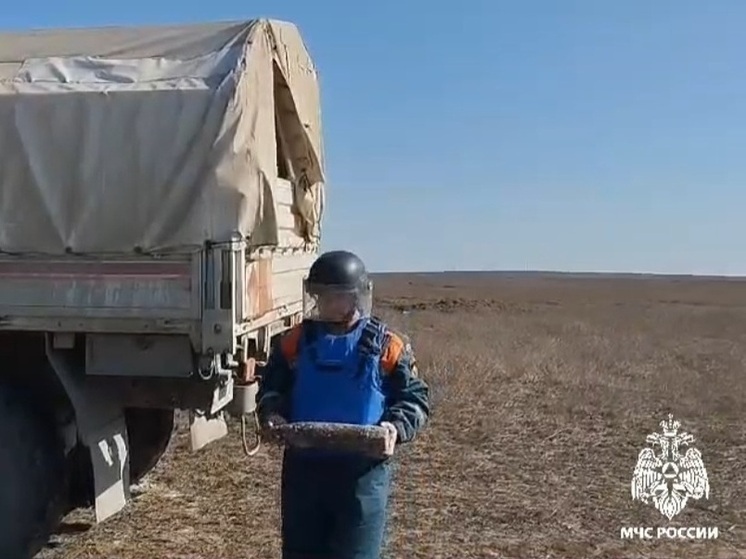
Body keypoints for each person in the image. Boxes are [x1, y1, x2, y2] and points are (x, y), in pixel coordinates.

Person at [255, 250, 430, 559]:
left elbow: (414, 397)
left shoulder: (387, 345)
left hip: (361, 476)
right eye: (322, 296)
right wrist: (272, 413)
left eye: (338, 297)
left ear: (357, 298)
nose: (329, 304)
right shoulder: (294, 342)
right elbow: (271, 388)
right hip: (304, 472)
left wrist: (396, 427)